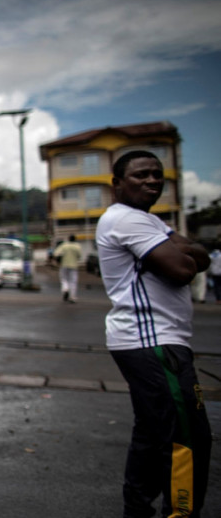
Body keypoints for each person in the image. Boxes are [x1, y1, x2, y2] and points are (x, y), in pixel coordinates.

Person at [95, 150, 212, 518]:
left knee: (153, 432)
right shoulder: (128, 220)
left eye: (157, 175)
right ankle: (179, 513)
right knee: (186, 438)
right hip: (153, 343)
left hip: (153, 342)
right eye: (141, 175)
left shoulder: (147, 222)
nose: (151, 181)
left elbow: (203, 257)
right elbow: (183, 269)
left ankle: (137, 510)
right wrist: (179, 248)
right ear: (116, 184)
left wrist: (180, 248)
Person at [53, 234, 82, 303]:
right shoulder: (77, 246)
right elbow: (79, 255)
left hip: (64, 265)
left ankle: (65, 289)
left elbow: (56, 253)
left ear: (68, 239)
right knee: (73, 281)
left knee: (64, 279)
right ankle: (73, 297)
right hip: (74, 266)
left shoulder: (64, 245)